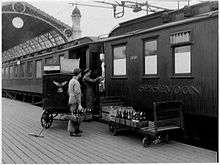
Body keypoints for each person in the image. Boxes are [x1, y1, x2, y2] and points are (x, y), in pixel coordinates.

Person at [68, 68, 83, 137]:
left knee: (75, 115)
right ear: (79, 73)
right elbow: (77, 93)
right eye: (80, 73)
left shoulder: (71, 81)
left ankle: (76, 129)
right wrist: (79, 104)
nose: (81, 74)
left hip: (71, 99)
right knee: (74, 116)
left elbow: (69, 91)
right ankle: (72, 131)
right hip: (75, 101)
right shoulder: (76, 82)